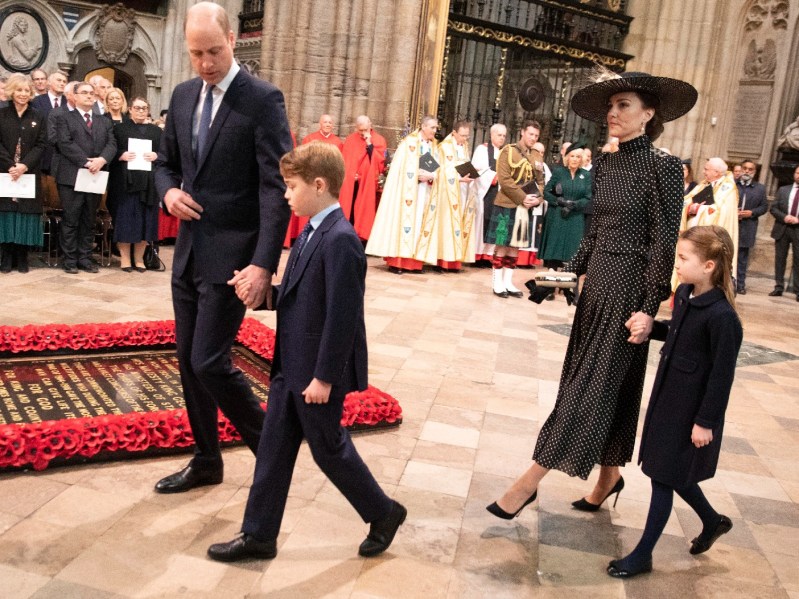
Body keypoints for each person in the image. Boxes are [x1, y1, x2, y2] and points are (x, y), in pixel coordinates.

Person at [487, 71, 697, 518]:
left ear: (649, 113)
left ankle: (529, 482)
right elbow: (594, 229)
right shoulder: (605, 163)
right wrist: (564, 274)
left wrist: (649, 306)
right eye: (611, 105)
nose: (613, 113)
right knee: (609, 388)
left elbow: (664, 240)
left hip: (629, 290)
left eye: (624, 105)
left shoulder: (662, 166)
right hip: (596, 287)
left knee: (588, 388)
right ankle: (608, 478)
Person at [208, 142, 406, 562]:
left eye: (291, 186)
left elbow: (342, 316)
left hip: (315, 372)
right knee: (274, 450)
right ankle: (259, 535)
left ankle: (384, 512)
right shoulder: (312, 232)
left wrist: (325, 377)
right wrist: (261, 295)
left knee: (329, 450)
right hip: (290, 365)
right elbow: (301, 296)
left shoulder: (340, 240)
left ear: (318, 185)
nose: (285, 194)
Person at [153, 2, 292, 493]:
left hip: (234, 258)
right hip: (189, 253)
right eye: (196, 54)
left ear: (232, 41)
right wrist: (168, 192)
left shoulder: (262, 99)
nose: (206, 63)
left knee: (209, 360)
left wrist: (263, 265)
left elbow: (275, 188)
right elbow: (164, 164)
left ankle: (271, 453)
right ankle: (207, 460)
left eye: (214, 51)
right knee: (189, 362)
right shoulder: (185, 94)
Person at [607, 225, 742, 578]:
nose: (677, 264)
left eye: (684, 258)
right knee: (670, 470)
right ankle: (712, 521)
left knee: (663, 478)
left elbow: (721, 376)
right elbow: (679, 332)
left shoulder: (723, 317)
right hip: (668, 400)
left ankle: (642, 555)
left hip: (692, 411)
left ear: (710, 265)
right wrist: (653, 326)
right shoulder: (685, 293)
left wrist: (706, 422)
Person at [54, 81, 116, 274]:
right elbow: (64, 143)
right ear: (75, 96)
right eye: (84, 93)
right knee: (71, 219)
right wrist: (86, 161)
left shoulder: (104, 121)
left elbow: (112, 144)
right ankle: (70, 259)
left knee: (89, 220)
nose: (89, 96)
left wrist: (102, 160)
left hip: (94, 176)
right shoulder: (64, 118)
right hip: (72, 175)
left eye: (91, 93)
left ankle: (85, 258)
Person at [366, 115, 438, 273]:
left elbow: (436, 169)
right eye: (432, 127)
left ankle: (414, 263)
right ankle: (397, 262)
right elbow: (399, 169)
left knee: (419, 224)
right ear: (424, 127)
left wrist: (431, 176)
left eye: (435, 128)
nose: (435, 131)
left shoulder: (432, 146)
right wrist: (416, 176)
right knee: (403, 224)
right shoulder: (409, 143)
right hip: (406, 193)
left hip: (423, 192)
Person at [485, 120, 545, 298]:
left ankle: (507, 281)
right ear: (522, 132)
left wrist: (537, 198)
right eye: (530, 134)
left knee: (515, 246)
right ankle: (497, 282)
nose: (533, 138)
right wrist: (522, 197)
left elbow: (541, 182)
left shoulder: (536, 156)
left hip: (525, 207)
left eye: (536, 136)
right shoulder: (508, 151)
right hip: (506, 203)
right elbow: (504, 179)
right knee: (502, 243)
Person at [107, 96, 160, 272]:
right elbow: (110, 150)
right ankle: (124, 259)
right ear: (129, 109)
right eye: (137, 108)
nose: (140, 111)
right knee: (125, 220)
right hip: (125, 183)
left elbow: (167, 153)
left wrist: (157, 156)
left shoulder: (157, 131)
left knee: (146, 221)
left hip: (149, 183)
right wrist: (120, 155)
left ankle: (139, 259)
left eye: (144, 108)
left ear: (148, 110)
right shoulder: (119, 129)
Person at [415, 119, 476, 271]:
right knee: (446, 226)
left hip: (462, 190)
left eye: (467, 136)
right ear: (454, 133)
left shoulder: (465, 147)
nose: (465, 139)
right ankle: (443, 260)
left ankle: (455, 260)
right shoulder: (443, 148)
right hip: (446, 193)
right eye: (462, 135)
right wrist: (457, 178)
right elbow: (438, 170)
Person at [0, 74, 46, 273]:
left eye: (26, 90)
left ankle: (22, 256)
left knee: (25, 214)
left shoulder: (38, 115)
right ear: (12, 91)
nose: (23, 94)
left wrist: (24, 165)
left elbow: (41, 144)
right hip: (5, 171)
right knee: (7, 213)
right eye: (19, 90)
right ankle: (7, 256)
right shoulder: (1, 114)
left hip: (28, 173)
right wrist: (10, 164)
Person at [676, 157, 739, 288]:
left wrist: (698, 208)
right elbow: (686, 201)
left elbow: (720, 212)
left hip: (711, 238)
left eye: (706, 169)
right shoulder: (704, 185)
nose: (704, 172)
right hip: (694, 234)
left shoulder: (728, 188)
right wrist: (689, 208)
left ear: (717, 172)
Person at [539, 141, 591, 278]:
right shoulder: (559, 172)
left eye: (578, 157)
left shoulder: (586, 175)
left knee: (572, 252)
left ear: (581, 159)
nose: (574, 159)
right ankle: (549, 284)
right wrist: (558, 201)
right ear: (567, 157)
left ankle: (566, 284)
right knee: (554, 250)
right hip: (557, 215)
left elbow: (588, 197)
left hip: (575, 217)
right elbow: (546, 192)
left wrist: (574, 205)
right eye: (572, 156)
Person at [338, 115, 386, 240]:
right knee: (348, 210)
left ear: (370, 125)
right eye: (360, 130)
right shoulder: (350, 139)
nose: (363, 133)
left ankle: (360, 238)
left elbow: (379, 162)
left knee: (362, 211)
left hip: (366, 183)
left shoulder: (379, 140)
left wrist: (369, 144)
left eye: (365, 129)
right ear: (356, 128)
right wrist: (350, 174)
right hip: (350, 183)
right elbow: (344, 160)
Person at [471, 123, 506, 264]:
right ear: (492, 135)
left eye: (504, 135)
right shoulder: (482, 149)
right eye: (499, 135)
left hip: (499, 193)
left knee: (495, 223)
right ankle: (478, 255)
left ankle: (488, 255)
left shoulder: (505, 153)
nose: (502, 138)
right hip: (485, 192)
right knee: (483, 221)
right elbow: (476, 170)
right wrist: (493, 177)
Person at [31, 71, 67, 208]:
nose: (62, 83)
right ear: (49, 83)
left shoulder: (68, 103)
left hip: (62, 156)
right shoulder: (37, 102)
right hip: (43, 155)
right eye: (59, 80)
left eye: (64, 81)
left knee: (58, 200)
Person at [735, 159, 768, 294]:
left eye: (750, 169)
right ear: (741, 169)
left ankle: (740, 285)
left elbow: (764, 207)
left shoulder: (760, 188)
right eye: (745, 168)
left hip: (748, 227)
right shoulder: (732, 185)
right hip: (732, 224)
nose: (747, 171)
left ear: (754, 172)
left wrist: (752, 212)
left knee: (742, 258)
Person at [768, 164, 799, 301]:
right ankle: (778, 286)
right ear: (794, 174)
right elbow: (773, 208)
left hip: (798, 229)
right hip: (782, 228)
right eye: (797, 173)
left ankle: (798, 290)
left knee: (798, 260)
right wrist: (784, 217)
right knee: (780, 259)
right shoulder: (783, 190)